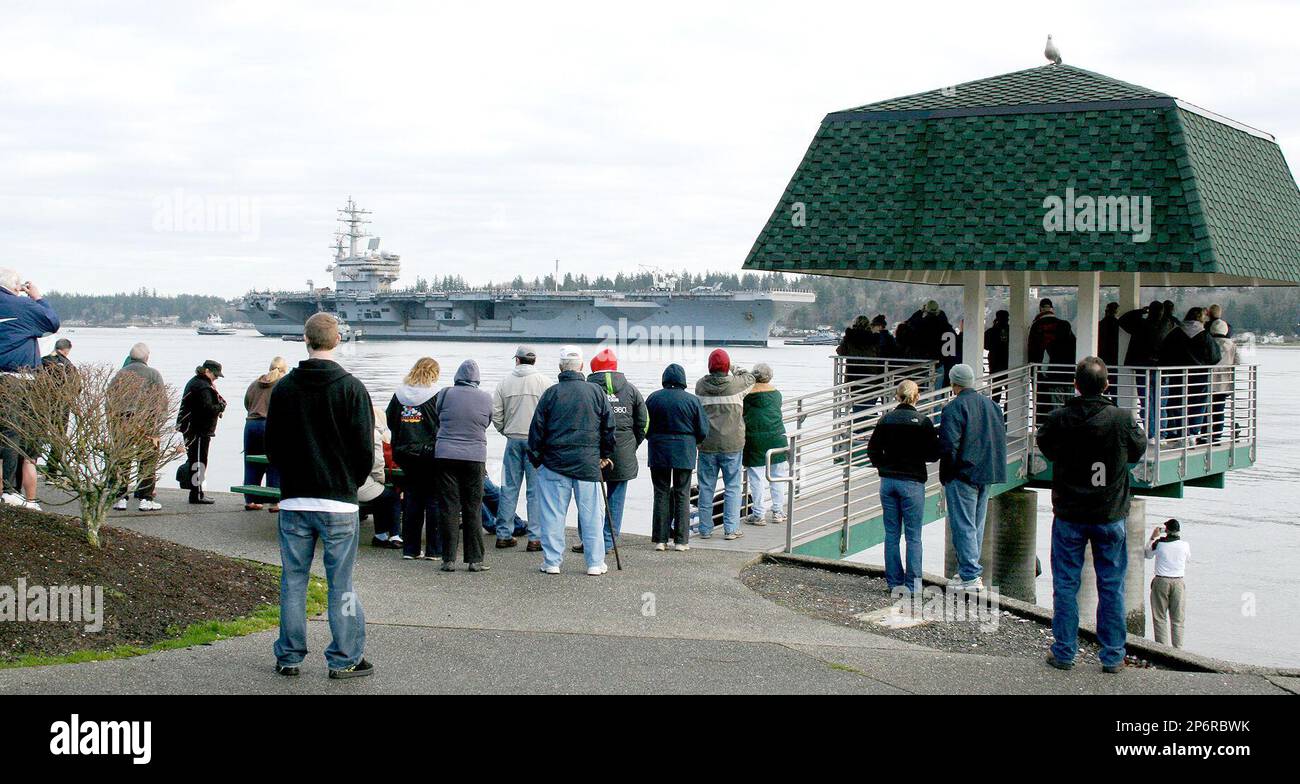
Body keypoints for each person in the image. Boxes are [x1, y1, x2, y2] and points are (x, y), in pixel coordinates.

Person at [266, 312, 375, 679]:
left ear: (305, 339)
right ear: (338, 339)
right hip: (339, 501)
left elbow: (273, 446)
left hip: (295, 498)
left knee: (293, 580)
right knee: (341, 584)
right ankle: (345, 657)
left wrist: (290, 479)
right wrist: (348, 483)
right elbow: (365, 451)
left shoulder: (283, 389)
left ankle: (289, 656)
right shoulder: (352, 388)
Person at [1037, 357, 1146, 673]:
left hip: (1070, 511)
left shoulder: (1059, 418)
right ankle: (1112, 655)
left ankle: (1064, 651)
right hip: (1109, 513)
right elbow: (1138, 449)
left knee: (1065, 584)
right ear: (1107, 385)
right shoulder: (1121, 419)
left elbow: (1046, 446)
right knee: (1111, 585)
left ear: (1075, 385)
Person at [527, 346, 616, 576]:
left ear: (560, 367)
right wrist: (604, 455)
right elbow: (609, 427)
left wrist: (537, 460)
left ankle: (552, 561)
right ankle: (595, 562)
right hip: (588, 464)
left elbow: (536, 431)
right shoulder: (596, 392)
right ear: (582, 366)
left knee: (553, 515)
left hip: (554, 463)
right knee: (592, 516)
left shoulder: (551, 394)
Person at [937, 363, 1006, 591]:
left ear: (953, 383)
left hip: (962, 474)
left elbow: (949, 445)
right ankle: (969, 571)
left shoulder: (953, 408)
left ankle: (970, 575)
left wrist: (947, 474)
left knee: (963, 525)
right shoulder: (992, 406)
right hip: (986, 473)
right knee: (976, 524)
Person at [867, 379, 940, 593]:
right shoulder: (923, 422)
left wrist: (883, 466)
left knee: (891, 534)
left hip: (888, 482)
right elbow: (933, 454)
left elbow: (872, 450)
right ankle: (913, 585)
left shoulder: (885, 420)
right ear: (917, 397)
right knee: (913, 536)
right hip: (912, 481)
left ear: (896, 396)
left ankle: (894, 583)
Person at [0, 269, 59, 510]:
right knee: (13, 434)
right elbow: (51, 322)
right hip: (16, 379)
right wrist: (36, 296)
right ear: (16, 287)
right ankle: (9, 491)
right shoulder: (21, 306)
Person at [577, 348, 646, 554]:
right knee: (616, 499)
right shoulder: (631, 390)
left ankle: (588, 540)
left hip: (590, 454)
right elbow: (643, 423)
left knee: (588, 499)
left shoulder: (586, 391)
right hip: (623, 454)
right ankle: (608, 542)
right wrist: (631, 445)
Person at [432, 359, 493, 573]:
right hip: (475, 456)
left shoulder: (445, 393)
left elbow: (438, 416)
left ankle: (448, 559)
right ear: (477, 379)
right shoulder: (486, 397)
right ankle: (474, 560)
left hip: (445, 454)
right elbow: (487, 422)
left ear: (457, 377)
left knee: (449, 506)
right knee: (473, 506)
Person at [490, 345, 552, 551]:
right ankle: (535, 538)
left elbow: (496, 414)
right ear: (534, 360)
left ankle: (503, 534)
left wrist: (505, 430)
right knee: (535, 491)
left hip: (513, 440)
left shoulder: (504, 382)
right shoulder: (545, 383)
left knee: (508, 488)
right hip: (537, 443)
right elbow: (552, 414)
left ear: (517, 359)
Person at [645, 364, 709, 551]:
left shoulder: (653, 398)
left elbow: (644, 424)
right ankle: (681, 541)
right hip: (684, 450)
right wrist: (693, 441)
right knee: (682, 494)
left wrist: (653, 438)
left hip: (659, 449)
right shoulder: (692, 400)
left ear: (664, 378)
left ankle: (660, 539)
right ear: (683, 380)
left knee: (661, 493)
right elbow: (703, 429)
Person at [695, 349, 755, 540]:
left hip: (707, 444)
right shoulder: (736, 386)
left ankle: (705, 529)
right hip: (732, 444)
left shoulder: (700, 386)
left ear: (709, 366)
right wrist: (733, 367)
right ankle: (731, 529)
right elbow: (750, 377)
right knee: (733, 487)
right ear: (726, 366)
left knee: (706, 487)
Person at [386, 357, 442, 561]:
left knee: (412, 498)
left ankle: (410, 549)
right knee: (433, 500)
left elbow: (390, 420)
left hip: (404, 453)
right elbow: (441, 422)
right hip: (429, 453)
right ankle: (434, 549)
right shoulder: (436, 394)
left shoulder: (399, 394)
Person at [109, 343, 166, 512]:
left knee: (123, 460)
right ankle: (145, 498)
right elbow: (161, 400)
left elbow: (110, 397)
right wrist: (159, 422)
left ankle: (120, 497)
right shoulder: (153, 374)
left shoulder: (120, 374)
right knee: (148, 460)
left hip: (122, 421)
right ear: (147, 357)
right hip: (147, 421)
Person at [1158, 307, 1220, 440]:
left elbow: (1163, 353)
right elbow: (1215, 356)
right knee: (1198, 404)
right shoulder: (1204, 335)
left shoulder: (1175, 333)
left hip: (1177, 375)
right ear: (1201, 318)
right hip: (1200, 375)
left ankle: (1181, 431)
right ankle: (1193, 432)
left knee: (1178, 403)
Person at [742, 363, 789, 527]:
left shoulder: (746, 395)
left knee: (756, 478)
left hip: (754, 439)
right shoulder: (777, 394)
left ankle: (758, 514)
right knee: (777, 476)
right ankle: (778, 511)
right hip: (777, 438)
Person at [177, 359, 226, 505]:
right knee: (198, 462)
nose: (216, 378)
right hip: (198, 430)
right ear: (207, 371)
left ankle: (196, 491)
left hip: (192, 428)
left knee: (195, 461)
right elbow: (208, 408)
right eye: (215, 375)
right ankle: (197, 494)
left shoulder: (196, 382)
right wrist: (220, 407)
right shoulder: (203, 386)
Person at [242, 357, 287, 511]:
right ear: (284, 370)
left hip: (251, 425)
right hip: (271, 425)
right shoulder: (282, 384)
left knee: (251, 462)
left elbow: (247, 403)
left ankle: (251, 500)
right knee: (274, 462)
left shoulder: (255, 383)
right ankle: (274, 502)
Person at [1118, 300, 1167, 438]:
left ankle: (1151, 433)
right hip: (1161, 368)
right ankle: (1161, 433)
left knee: (1146, 400)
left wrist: (1141, 311)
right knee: (1161, 401)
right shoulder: (1167, 326)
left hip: (1142, 367)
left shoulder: (1140, 325)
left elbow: (1122, 320)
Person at [359, 404, 402, 549]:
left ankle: (381, 535)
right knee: (392, 496)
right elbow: (377, 464)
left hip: (345, 483)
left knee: (380, 495)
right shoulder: (374, 434)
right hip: (361, 485)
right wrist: (381, 480)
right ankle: (395, 536)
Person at [1146, 518, 1190, 648]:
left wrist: (1152, 537)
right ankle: (1178, 649)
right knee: (1178, 618)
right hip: (1178, 582)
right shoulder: (1185, 545)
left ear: (1167, 530)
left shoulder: (1159, 544)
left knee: (1159, 617)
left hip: (1161, 581)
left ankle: (1162, 648)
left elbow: (1147, 554)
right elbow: (1188, 558)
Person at [1208, 319, 1237, 440]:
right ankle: (1217, 435)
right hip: (1223, 383)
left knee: (1206, 409)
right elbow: (1238, 361)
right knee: (1219, 410)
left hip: (1208, 381)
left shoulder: (1209, 342)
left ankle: (1204, 434)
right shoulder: (1231, 345)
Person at [983, 310, 1010, 375]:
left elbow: (985, 346)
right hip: (1008, 360)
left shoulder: (990, 331)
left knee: (995, 379)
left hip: (994, 360)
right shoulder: (1011, 331)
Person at [1098, 302, 1120, 367]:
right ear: (1116, 311)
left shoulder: (1101, 323)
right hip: (1113, 351)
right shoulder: (1116, 323)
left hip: (1102, 350)